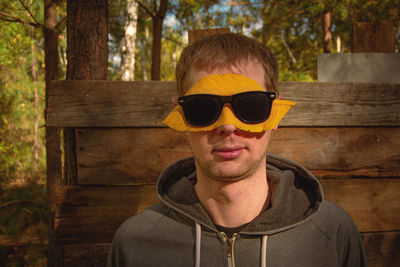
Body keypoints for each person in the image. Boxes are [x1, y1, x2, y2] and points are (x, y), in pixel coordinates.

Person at [107, 33, 366, 267]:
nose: (228, 126)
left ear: (275, 114)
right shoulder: (135, 244)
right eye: (203, 108)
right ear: (182, 114)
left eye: (251, 106)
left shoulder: (332, 233)